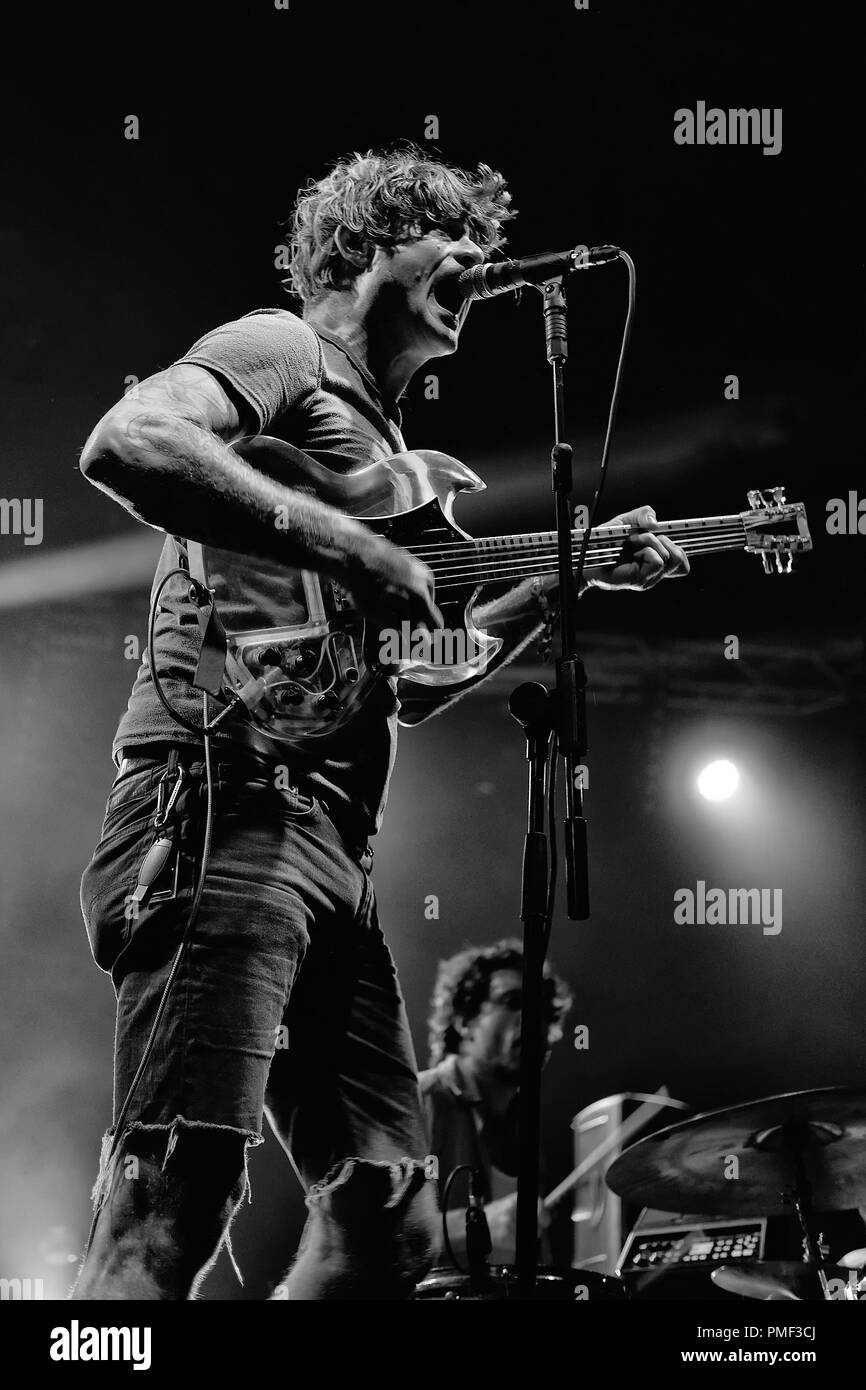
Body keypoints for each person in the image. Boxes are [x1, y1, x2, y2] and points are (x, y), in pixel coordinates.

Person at [72, 144, 689, 1301]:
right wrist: (351, 539)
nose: (477, 263)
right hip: (219, 804)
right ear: (365, 246)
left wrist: (560, 582)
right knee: (174, 1193)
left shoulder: (389, 444)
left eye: (482, 246)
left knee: (385, 1211)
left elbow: (395, 686)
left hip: (333, 856)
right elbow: (131, 444)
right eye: (447, 236)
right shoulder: (280, 347)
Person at [421, 940, 571, 1265]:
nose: (534, 1019)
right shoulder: (420, 1100)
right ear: (465, 1020)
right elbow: (369, 1237)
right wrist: (476, 1224)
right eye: (512, 1001)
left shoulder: (526, 1131)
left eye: (543, 1009)